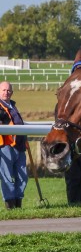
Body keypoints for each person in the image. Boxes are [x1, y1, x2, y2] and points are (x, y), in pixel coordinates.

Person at [0, 81, 28, 209]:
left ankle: (18, 203)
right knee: (7, 176)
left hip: (19, 145)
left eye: (8, 90)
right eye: (3, 90)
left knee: (23, 176)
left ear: (12, 92)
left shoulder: (12, 105)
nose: (6, 92)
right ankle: (10, 205)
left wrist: (25, 139)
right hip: (5, 146)